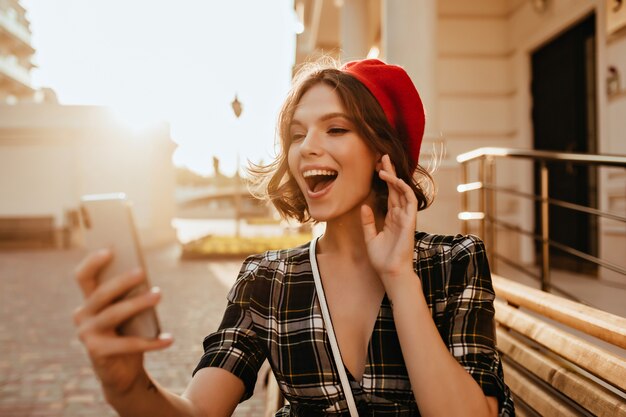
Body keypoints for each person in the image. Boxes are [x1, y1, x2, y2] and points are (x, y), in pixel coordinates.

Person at [73, 58, 515, 416]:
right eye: (297, 134)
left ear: (385, 152)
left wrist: (399, 277)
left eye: (335, 129)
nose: (306, 147)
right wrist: (128, 387)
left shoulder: (454, 260)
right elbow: (198, 412)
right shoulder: (268, 279)